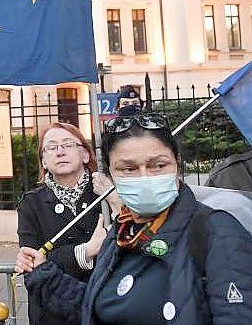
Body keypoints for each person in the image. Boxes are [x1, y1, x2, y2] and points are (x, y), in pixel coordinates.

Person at [16, 113, 252, 325]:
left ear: (177, 164)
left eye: (158, 165)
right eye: (128, 169)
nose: (145, 177)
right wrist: (45, 274)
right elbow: (96, 309)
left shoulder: (216, 232)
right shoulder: (122, 232)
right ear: (112, 174)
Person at [17, 122, 121, 325]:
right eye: (51, 147)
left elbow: (132, 243)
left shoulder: (107, 193)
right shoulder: (31, 203)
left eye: (67, 144)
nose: (60, 151)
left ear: (85, 155)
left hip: (102, 306)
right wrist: (87, 251)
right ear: (44, 161)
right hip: (52, 311)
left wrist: (115, 200)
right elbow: (33, 265)